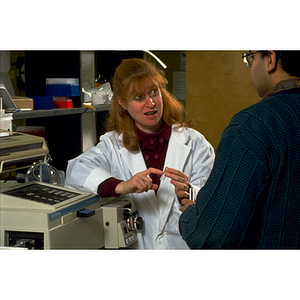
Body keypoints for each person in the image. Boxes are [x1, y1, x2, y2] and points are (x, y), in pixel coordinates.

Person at [65, 58, 215, 249]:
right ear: (122, 103)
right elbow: (76, 171)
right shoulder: (112, 145)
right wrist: (121, 185)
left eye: (154, 92)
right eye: (139, 97)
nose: (151, 103)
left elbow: (214, 201)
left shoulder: (195, 143)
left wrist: (188, 192)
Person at [179, 50, 300, 249]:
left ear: (270, 58)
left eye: (251, 58)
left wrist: (192, 214)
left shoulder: (254, 125)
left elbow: (212, 235)